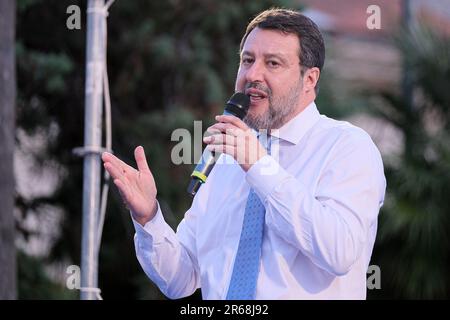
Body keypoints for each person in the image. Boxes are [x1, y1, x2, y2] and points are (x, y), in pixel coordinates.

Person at [102, 8, 386, 300]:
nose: (252, 75)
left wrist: (258, 166)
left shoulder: (347, 146)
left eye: (272, 63)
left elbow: (339, 251)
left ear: (310, 79)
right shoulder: (226, 159)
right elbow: (180, 280)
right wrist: (148, 218)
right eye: (247, 60)